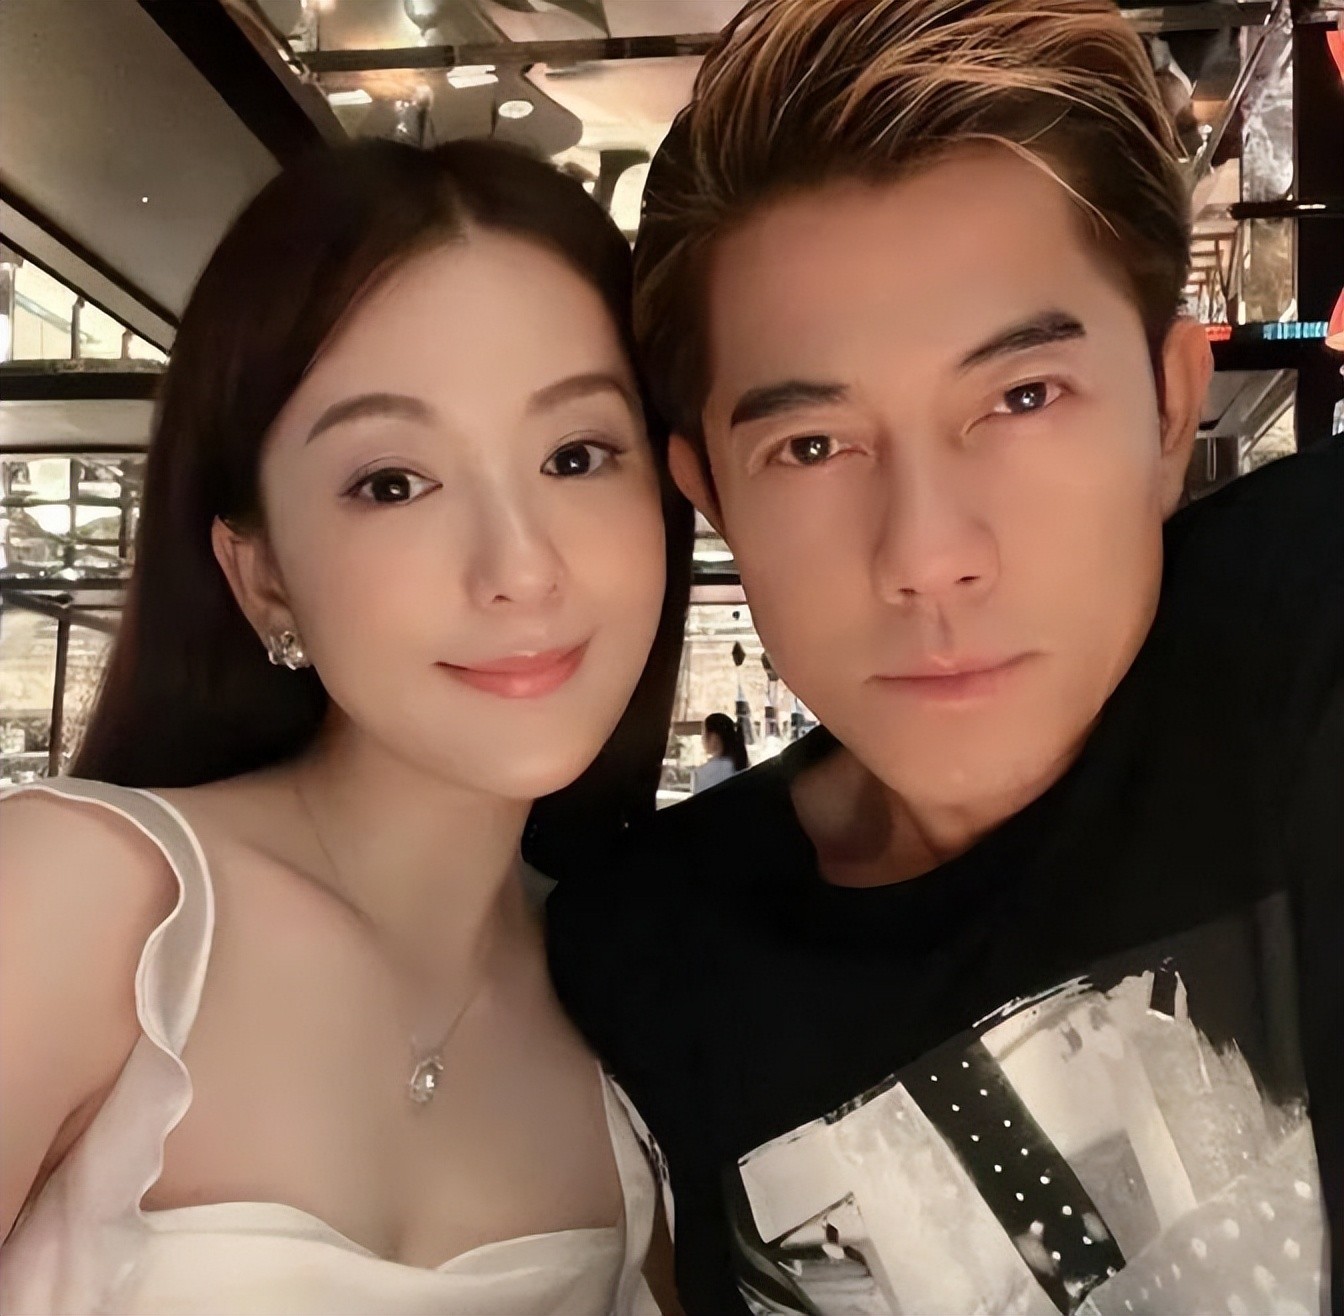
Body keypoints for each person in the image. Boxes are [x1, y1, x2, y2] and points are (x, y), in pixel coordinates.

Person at [546, 2, 1343, 1313]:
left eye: (1022, 397)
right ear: (711, 494)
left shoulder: (1309, 632)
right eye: (811, 445)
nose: (927, 554)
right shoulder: (648, 957)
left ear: (1170, 406)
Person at [0, 138, 691, 1315]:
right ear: (262, 573)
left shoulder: (638, 1007)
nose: (521, 567)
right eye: (393, 482)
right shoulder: (84, 904)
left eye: (576, 456)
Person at [693, 712, 748, 794]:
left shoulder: (701, 774)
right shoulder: (742, 767)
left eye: (703, 734)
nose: (702, 739)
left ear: (714, 737)